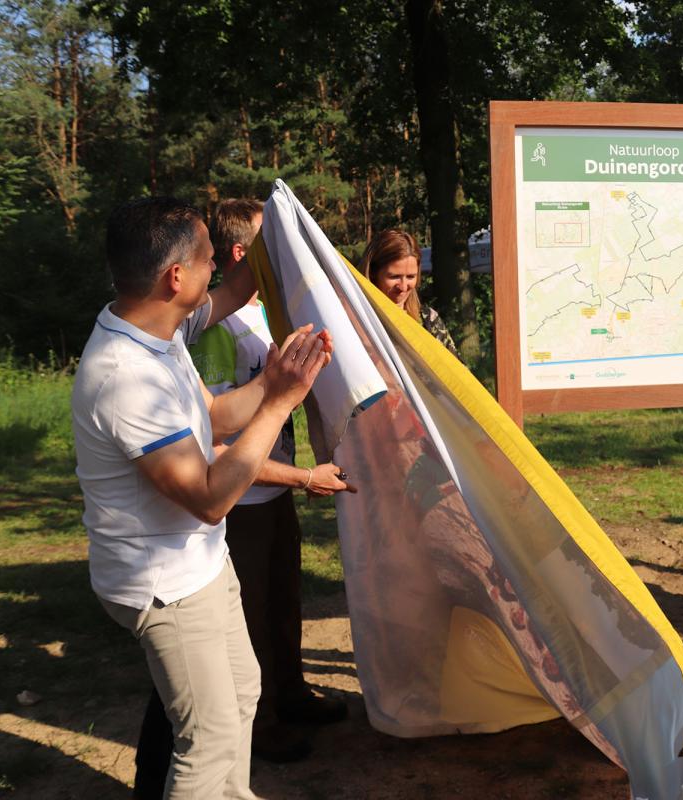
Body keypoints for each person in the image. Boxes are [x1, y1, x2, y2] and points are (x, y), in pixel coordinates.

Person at [72, 197, 331, 798]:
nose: (218, 266)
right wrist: (280, 401)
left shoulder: (158, 333)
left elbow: (212, 417)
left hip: (201, 565)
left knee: (243, 692)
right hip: (164, 588)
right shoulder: (125, 375)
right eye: (208, 258)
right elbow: (211, 495)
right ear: (175, 277)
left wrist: (270, 379)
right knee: (207, 739)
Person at [359, 229, 460, 358]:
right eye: (394, 277)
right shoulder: (355, 319)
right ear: (373, 273)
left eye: (411, 277)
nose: (403, 286)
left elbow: (456, 371)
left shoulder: (428, 320)